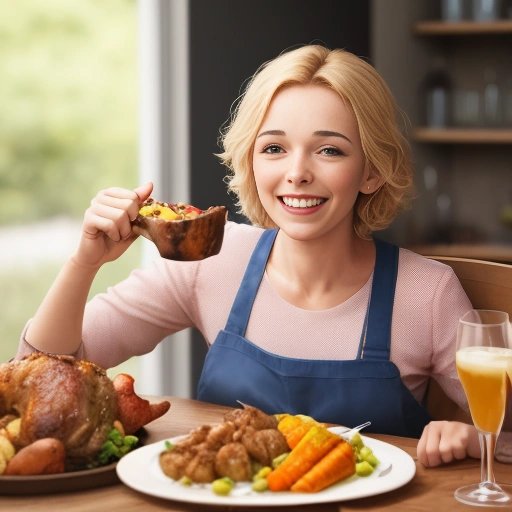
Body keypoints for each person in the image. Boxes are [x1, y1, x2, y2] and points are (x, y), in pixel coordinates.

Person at [16, 45, 496, 467]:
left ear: (370, 172)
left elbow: (507, 428)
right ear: (251, 161)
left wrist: (474, 438)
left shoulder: (426, 293)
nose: (297, 172)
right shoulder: (212, 260)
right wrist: (85, 261)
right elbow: (39, 372)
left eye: (329, 150)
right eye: (274, 148)